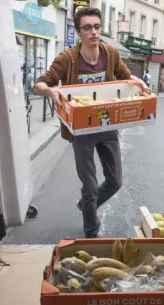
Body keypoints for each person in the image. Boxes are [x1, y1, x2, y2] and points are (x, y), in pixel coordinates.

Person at [33, 7, 145, 238]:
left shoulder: (111, 53)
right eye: (87, 28)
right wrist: (52, 91)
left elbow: (126, 76)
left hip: (107, 125)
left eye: (96, 26)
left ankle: (86, 205)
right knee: (90, 187)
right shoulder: (68, 58)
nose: (93, 32)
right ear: (79, 32)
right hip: (82, 129)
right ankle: (91, 232)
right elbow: (39, 84)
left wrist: (140, 84)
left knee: (115, 181)